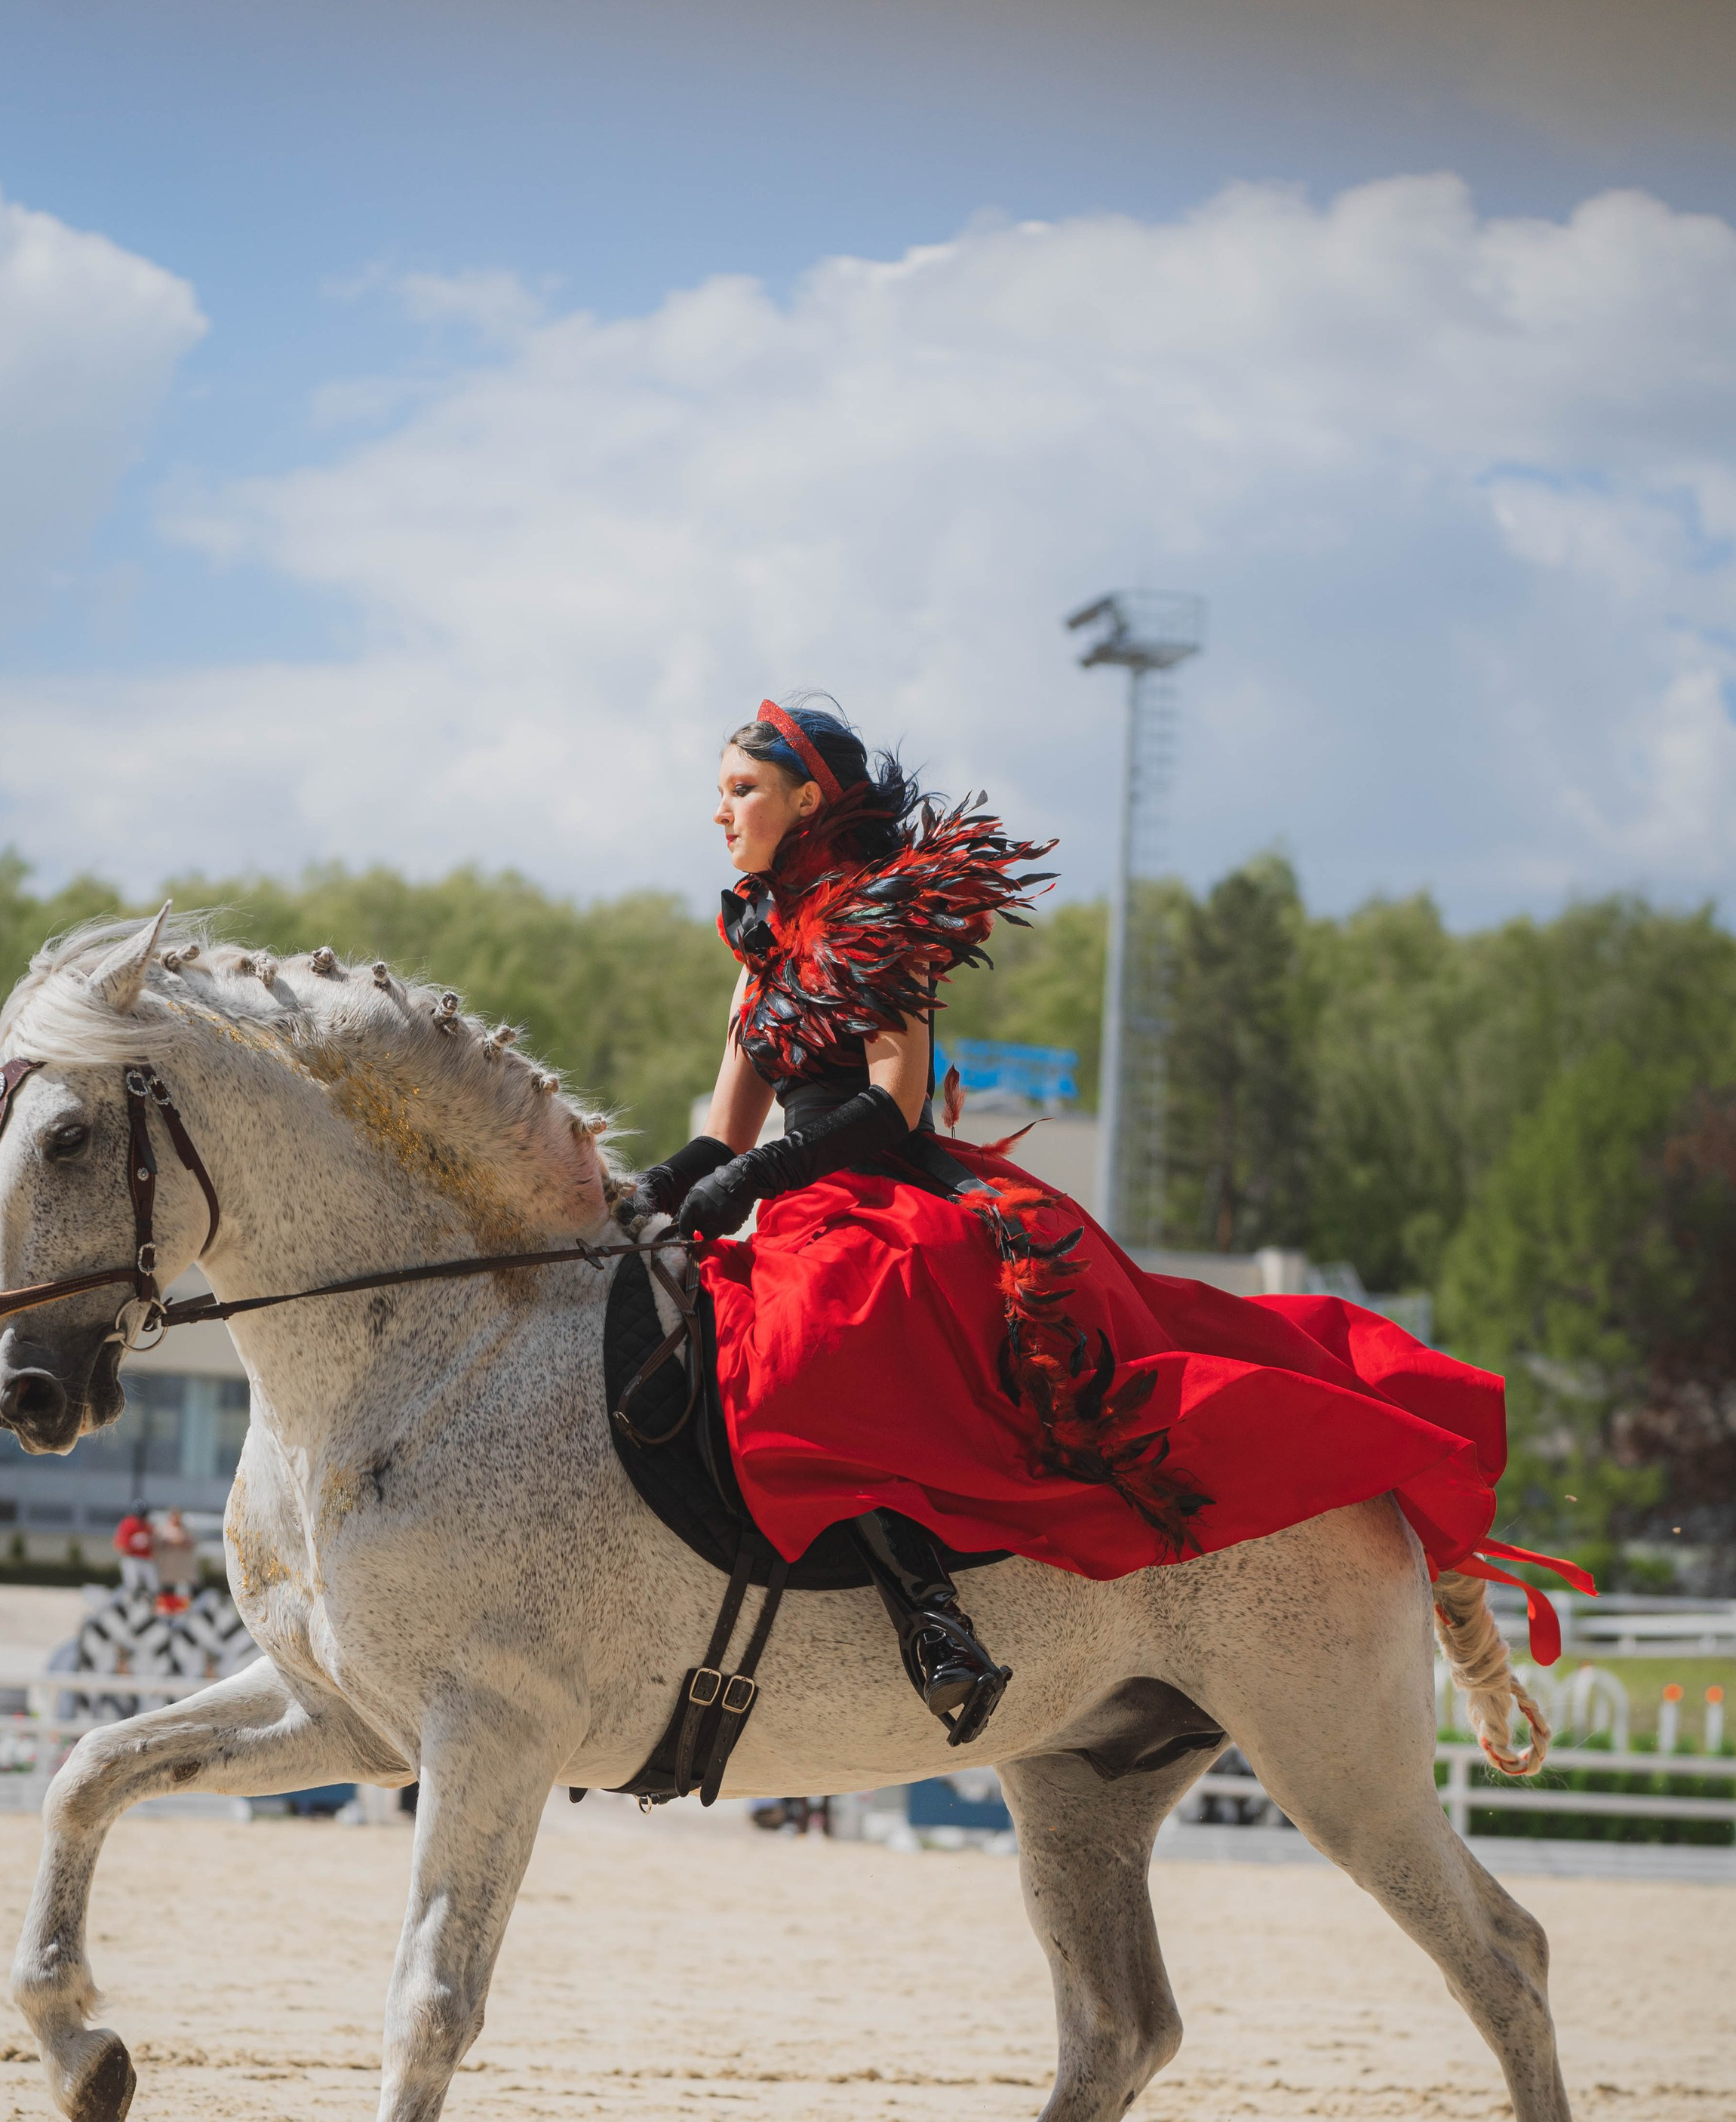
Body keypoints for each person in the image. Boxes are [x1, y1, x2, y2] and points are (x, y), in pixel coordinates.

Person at [622, 697, 1532, 1748]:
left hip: (890, 1186)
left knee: (819, 1335)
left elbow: (895, 1101)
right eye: (722, 793)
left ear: (808, 796)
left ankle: (933, 1621)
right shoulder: (756, 939)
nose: (722, 813)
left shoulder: (884, 914)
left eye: (740, 790)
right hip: (795, 1195)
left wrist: (760, 1176)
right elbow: (724, 1131)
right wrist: (644, 1189)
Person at [150, 1505, 198, 1609]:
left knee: (188, 1593)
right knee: (167, 1592)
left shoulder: (186, 1530)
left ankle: (186, 1610)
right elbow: (158, 1543)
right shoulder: (162, 1530)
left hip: (183, 1569)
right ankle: (168, 1612)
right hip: (168, 1569)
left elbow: (191, 1543)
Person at [113, 1500, 156, 1595]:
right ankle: (128, 1603)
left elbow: (153, 1543)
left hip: (146, 1558)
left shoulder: (148, 1526)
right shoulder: (128, 1524)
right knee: (133, 1584)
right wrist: (126, 1553)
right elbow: (122, 1544)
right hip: (132, 1557)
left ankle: (149, 1602)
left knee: (153, 1586)